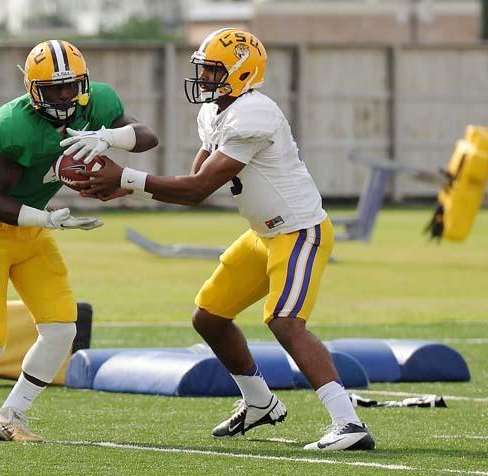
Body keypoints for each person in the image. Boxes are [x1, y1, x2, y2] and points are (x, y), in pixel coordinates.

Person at [76, 28, 375, 451]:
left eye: (214, 71)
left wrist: (124, 176)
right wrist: (125, 188)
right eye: (203, 70)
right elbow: (193, 183)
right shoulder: (214, 112)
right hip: (263, 234)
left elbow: (198, 187)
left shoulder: (256, 113)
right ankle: (259, 402)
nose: (204, 80)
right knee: (209, 316)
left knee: (285, 321)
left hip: (299, 231)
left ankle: (349, 423)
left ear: (242, 73)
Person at [0, 39, 158, 442]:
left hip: (33, 234)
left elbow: (147, 135)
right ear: (32, 89)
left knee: (62, 330)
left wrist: (107, 138)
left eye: (70, 86)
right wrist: (47, 219)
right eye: (53, 89)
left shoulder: (96, 103)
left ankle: (10, 416)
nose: (64, 96)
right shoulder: (14, 126)